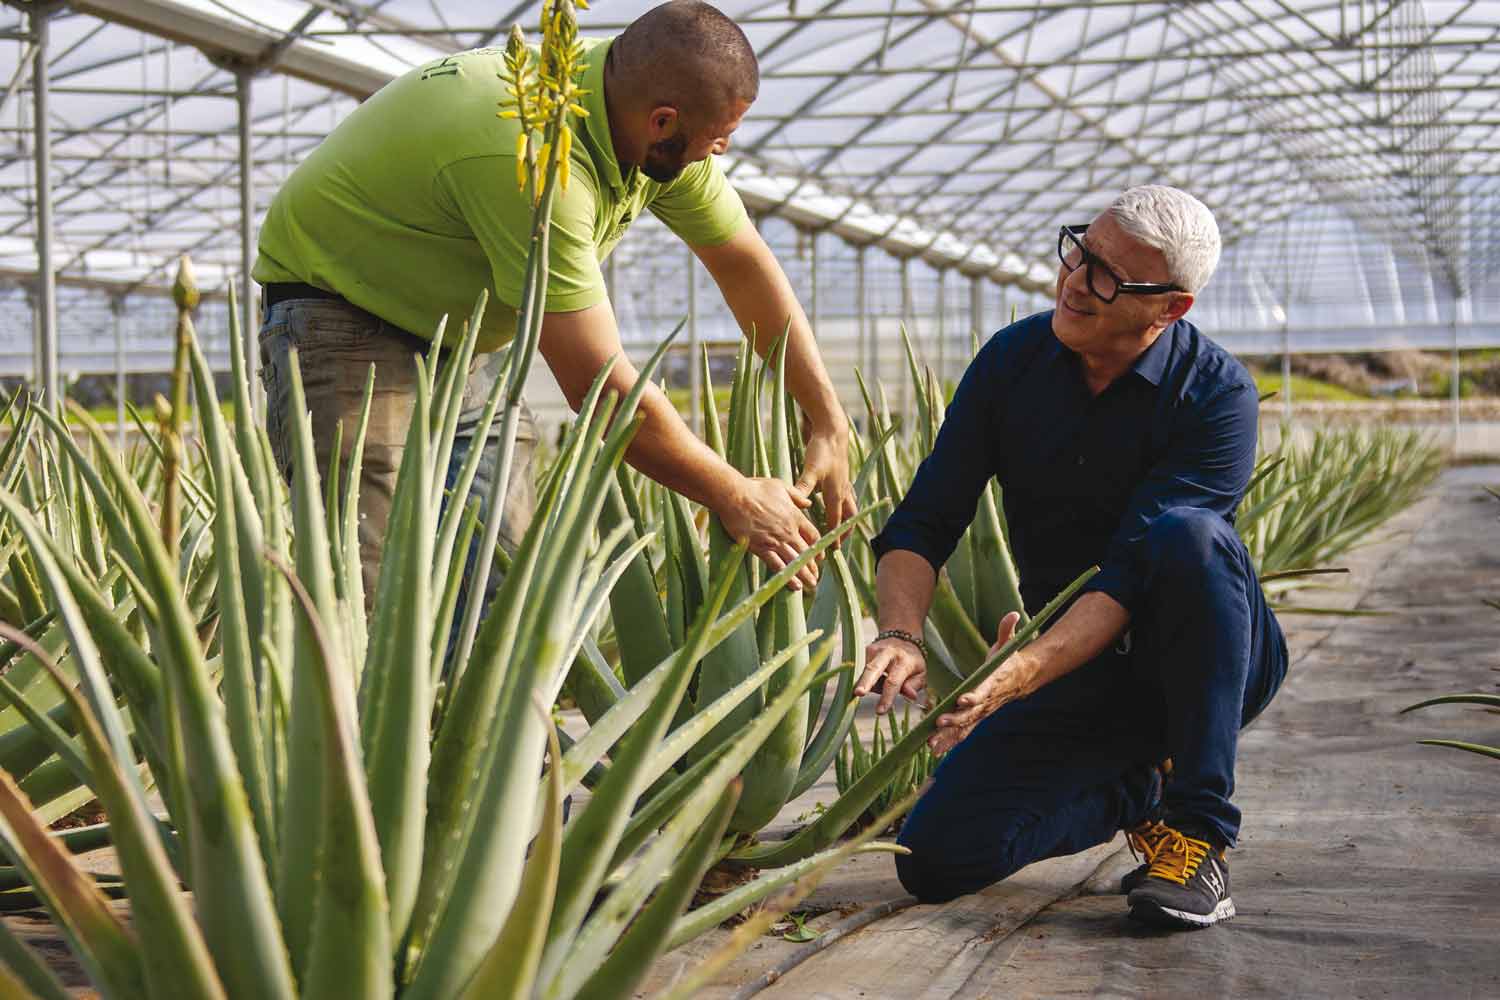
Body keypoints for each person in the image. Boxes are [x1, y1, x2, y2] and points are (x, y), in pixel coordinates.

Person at [252, 0, 854, 604]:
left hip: (459, 348)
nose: (720, 151)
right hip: (343, 323)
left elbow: (742, 265)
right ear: (664, 123)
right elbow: (599, 386)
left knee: (503, 585)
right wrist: (733, 492)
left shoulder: (639, 121)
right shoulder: (537, 155)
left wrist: (826, 418)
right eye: (718, 137)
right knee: (373, 591)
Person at [854, 185, 1288, 930]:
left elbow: (1127, 577)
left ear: (1170, 309)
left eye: (1109, 276)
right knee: (933, 861)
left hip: (1200, 660)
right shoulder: (1012, 363)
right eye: (1079, 252)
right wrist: (900, 634)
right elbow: (925, 520)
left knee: (1190, 537)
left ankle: (1198, 831)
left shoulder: (1215, 396)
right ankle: (1141, 791)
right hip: (1076, 662)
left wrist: (1014, 675)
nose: (1075, 282)